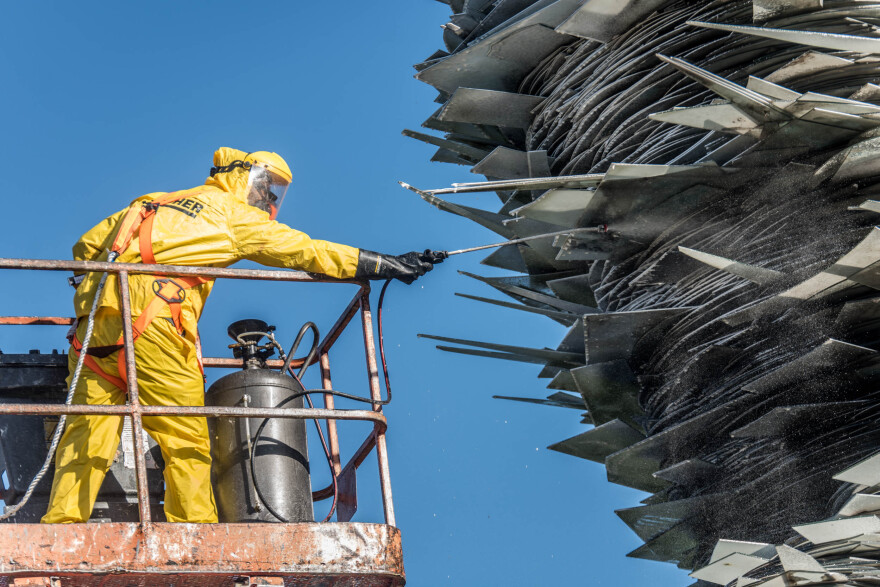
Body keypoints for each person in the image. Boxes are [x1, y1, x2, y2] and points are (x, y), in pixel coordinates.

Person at [41, 147, 435, 523]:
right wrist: (384, 263)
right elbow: (306, 251)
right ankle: (193, 536)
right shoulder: (233, 216)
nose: (268, 199)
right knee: (186, 438)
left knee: (85, 436)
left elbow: (87, 246)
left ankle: (58, 527)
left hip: (95, 327)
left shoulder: (153, 201)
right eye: (267, 187)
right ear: (243, 178)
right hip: (155, 321)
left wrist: (107, 296)